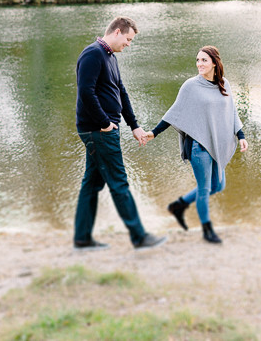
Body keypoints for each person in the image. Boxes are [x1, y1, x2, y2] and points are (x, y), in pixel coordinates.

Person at [73, 16, 166, 251]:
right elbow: (86, 92)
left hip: (102, 130)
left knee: (92, 183)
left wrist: (134, 126)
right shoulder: (93, 54)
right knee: (119, 181)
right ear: (116, 32)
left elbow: (121, 92)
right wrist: (105, 123)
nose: (129, 44)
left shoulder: (109, 57)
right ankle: (139, 236)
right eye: (128, 39)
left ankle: (83, 238)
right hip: (99, 131)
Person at [144, 45, 248, 244]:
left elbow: (232, 112)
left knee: (218, 185)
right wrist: (154, 133)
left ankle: (179, 205)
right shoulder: (190, 86)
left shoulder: (224, 84)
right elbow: (175, 112)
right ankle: (207, 230)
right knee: (204, 188)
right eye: (197, 60)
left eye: (204, 60)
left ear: (215, 63)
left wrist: (241, 135)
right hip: (198, 147)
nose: (199, 64)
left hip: (218, 144)